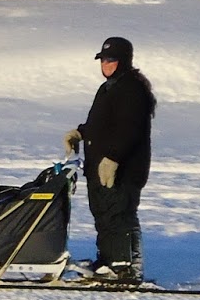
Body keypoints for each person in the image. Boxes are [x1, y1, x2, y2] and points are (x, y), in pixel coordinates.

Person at [64, 36, 156, 283]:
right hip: (100, 166)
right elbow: (99, 123)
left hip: (122, 168)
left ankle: (123, 266)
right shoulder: (108, 88)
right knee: (103, 212)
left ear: (123, 61)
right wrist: (80, 133)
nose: (106, 64)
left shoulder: (132, 89)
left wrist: (113, 158)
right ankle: (108, 260)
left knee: (118, 213)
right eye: (103, 60)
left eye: (111, 60)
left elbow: (130, 128)